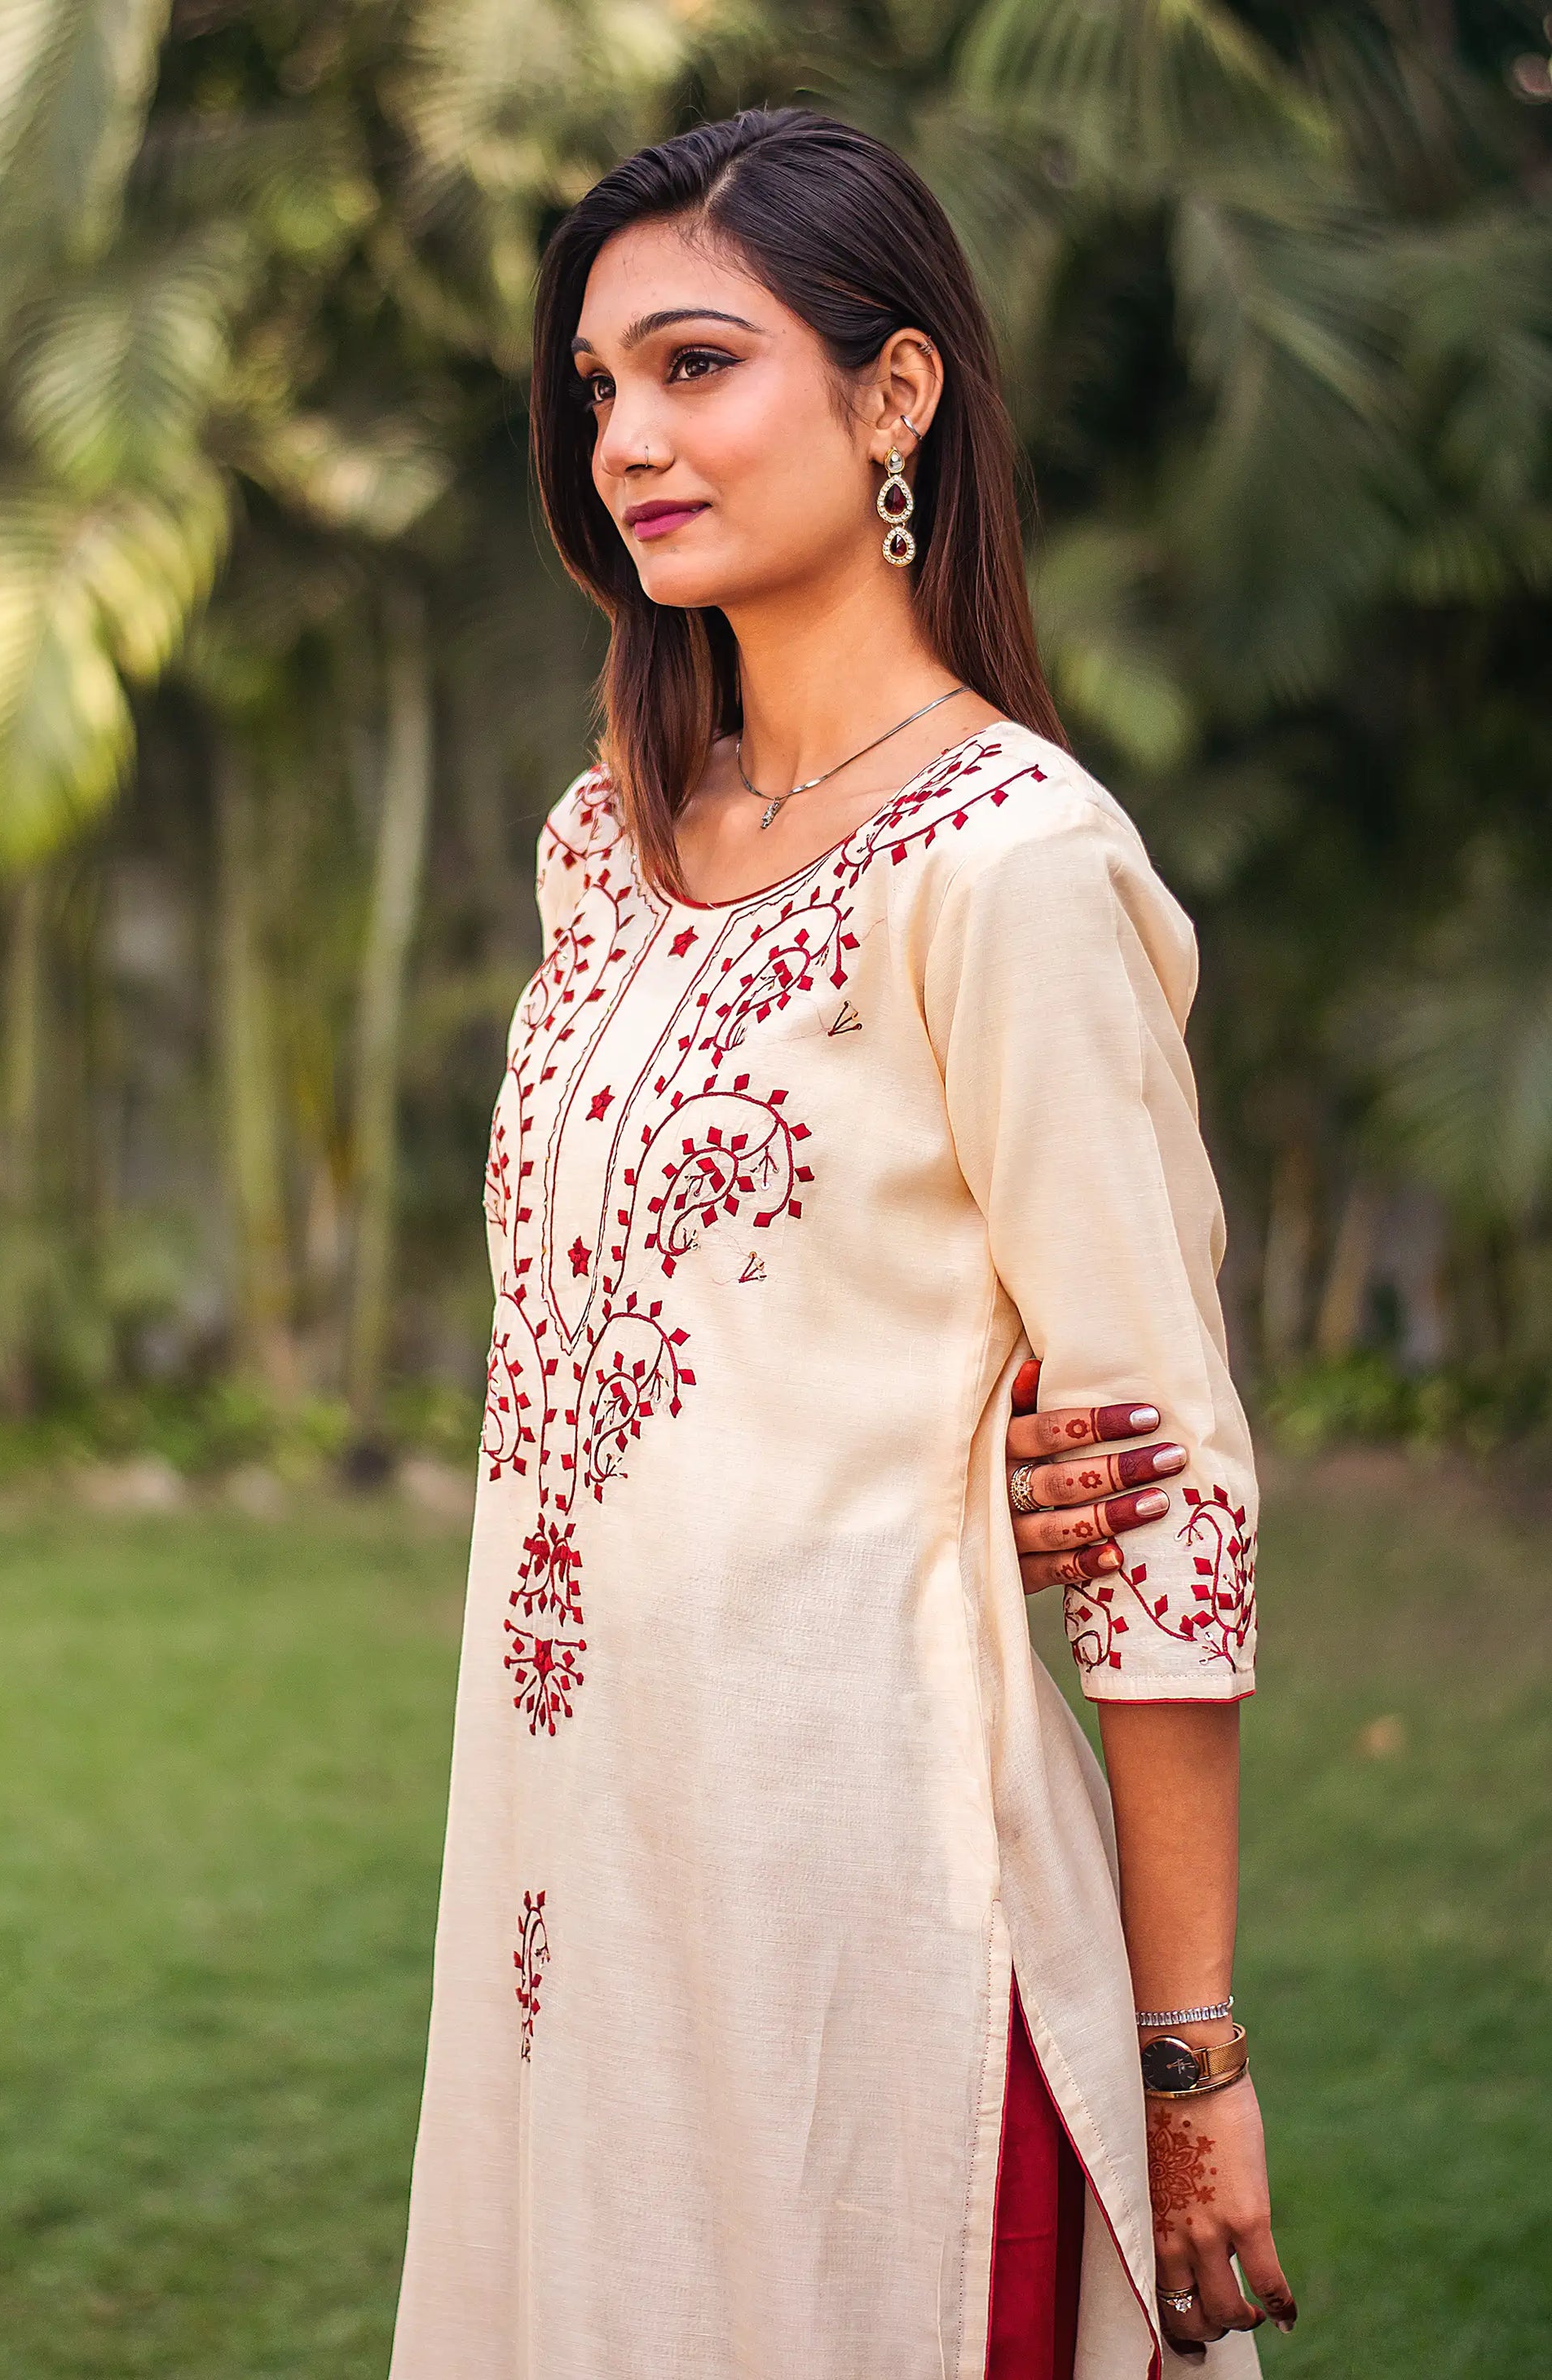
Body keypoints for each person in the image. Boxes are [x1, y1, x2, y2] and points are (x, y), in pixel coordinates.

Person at [390, 108, 1296, 2380]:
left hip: (855, 1897)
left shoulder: (1005, 871)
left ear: (894, 397)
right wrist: (904, 1452)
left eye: (696, 365)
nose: (628, 439)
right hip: (569, 1875)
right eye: (596, 389)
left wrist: (1192, 2062)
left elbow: (1163, 1484)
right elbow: (707, 1349)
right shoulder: (604, 847)